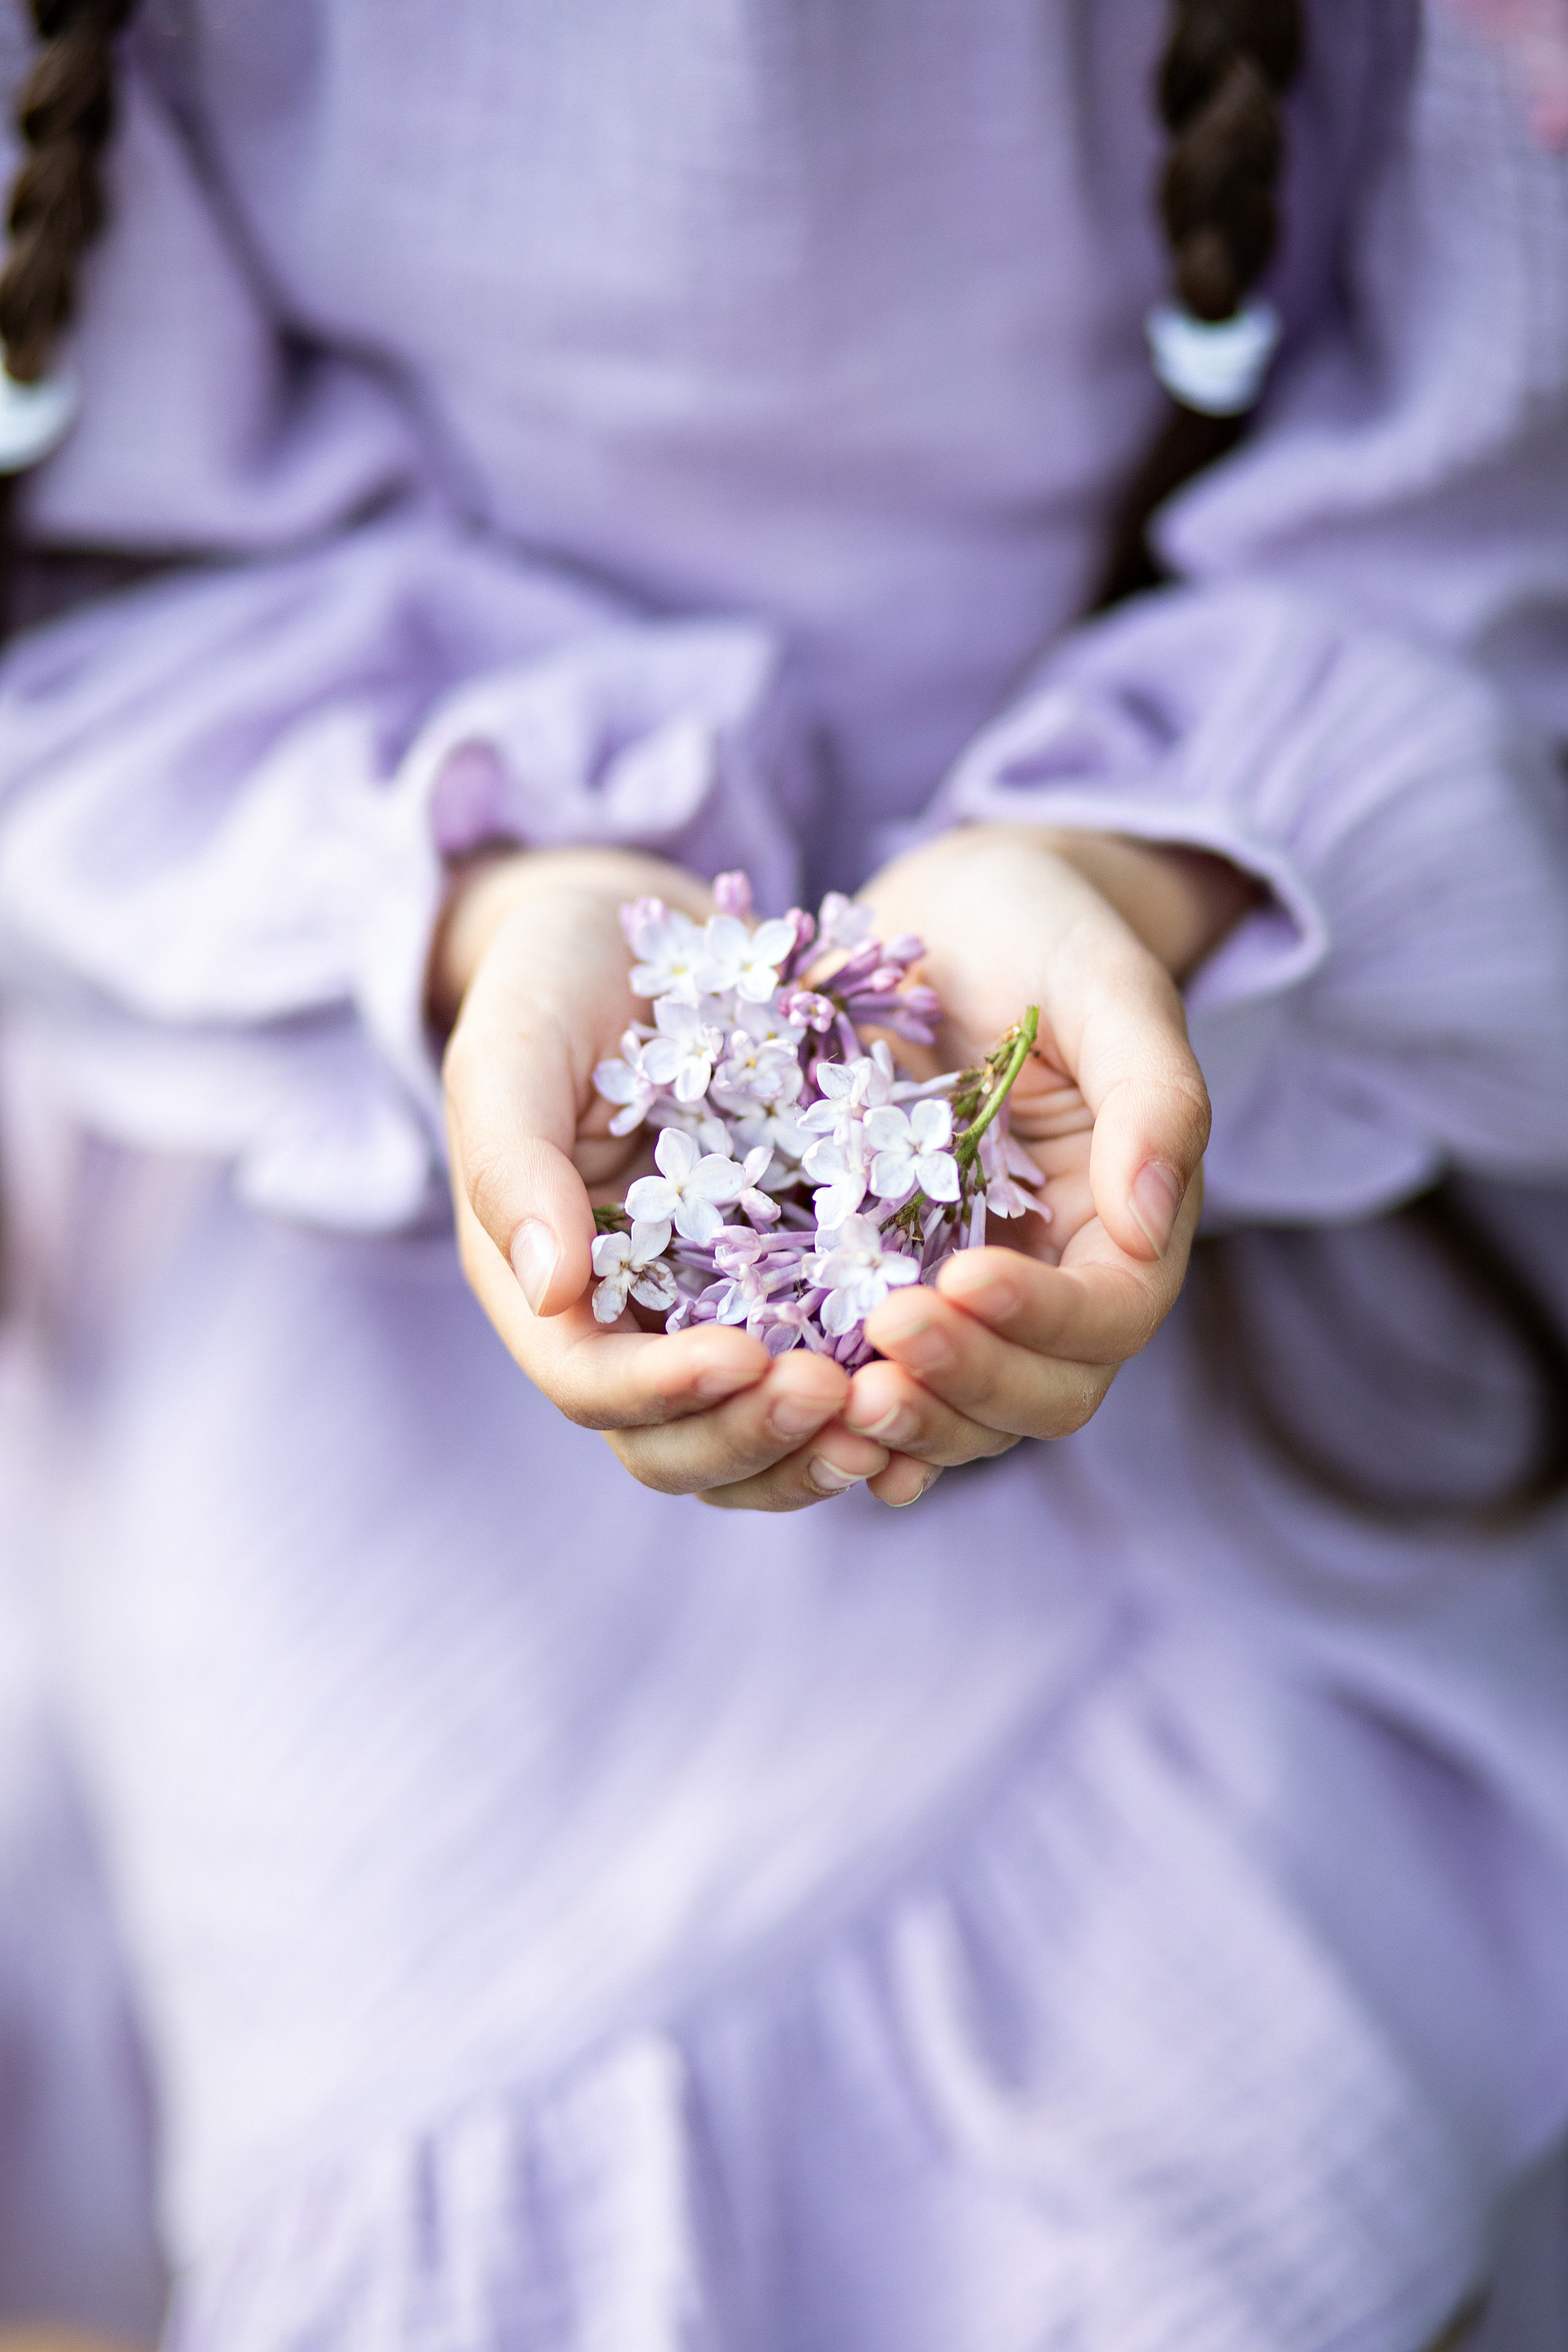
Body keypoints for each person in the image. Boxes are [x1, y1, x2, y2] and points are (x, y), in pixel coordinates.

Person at [0, 0, 1566, 2345]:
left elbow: (1501, 490)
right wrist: (515, 906)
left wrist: (1124, 878)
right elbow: (88, 609)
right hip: (355, 1192)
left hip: (1306, 1100)